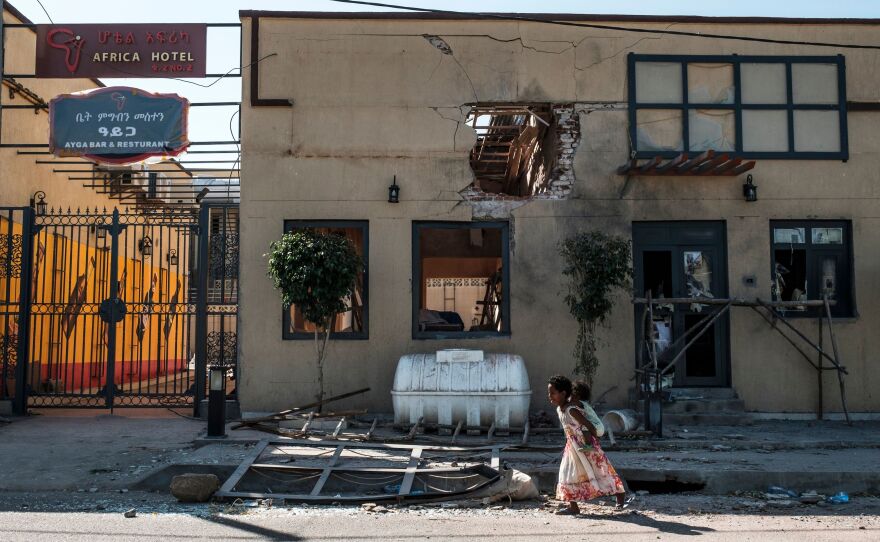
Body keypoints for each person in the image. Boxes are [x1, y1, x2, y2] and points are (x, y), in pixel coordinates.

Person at [547, 374, 627, 515]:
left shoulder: (572, 410)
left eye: (553, 393)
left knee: (601, 470)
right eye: (549, 393)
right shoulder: (560, 409)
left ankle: (620, 496)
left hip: (586, 446)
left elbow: (589, 425)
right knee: (567, 474)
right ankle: (573, 507)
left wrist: (594, 440)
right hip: (572, 448)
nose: (550, 396)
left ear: (563, 393)